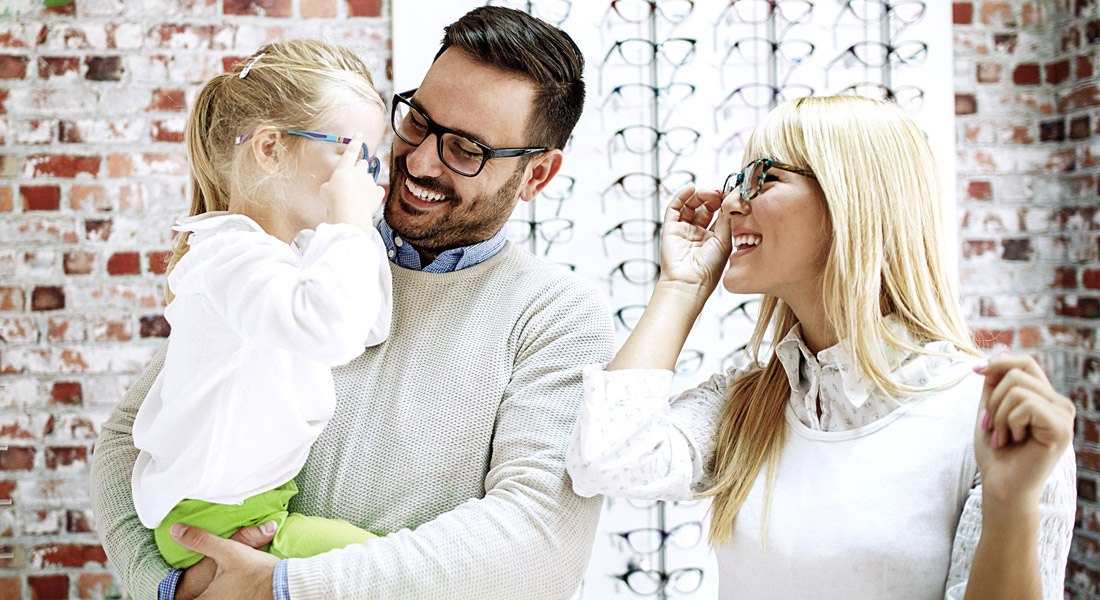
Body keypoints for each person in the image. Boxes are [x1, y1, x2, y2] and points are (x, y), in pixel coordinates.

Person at [89, 6, 613, 600]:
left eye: (466, 149)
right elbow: (130, 442)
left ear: (537, 175)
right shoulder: (292, 252)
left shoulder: (559, 316)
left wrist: (284, 585)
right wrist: (173, 587)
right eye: (417, 122)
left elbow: (535, 541)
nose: (418, 162)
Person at [567, 96, 1076, 599]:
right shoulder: (749, 404)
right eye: (738, 179)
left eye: (764, 177)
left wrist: (1011, 501)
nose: (729, 202)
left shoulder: (989, 421)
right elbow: (606, 457)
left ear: (851, 199)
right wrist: (680, 287)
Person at [125, 39, 393, 572]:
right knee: (384, 569)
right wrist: (348, 223)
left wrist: (354, 229)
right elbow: (333, 333)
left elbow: (369, 323)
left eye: (370, 157)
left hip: (257, 505)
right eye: (348, 152)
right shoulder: (226, 256)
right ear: (270, 148)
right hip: (211, 518)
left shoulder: (289, 257)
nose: (363, 174)